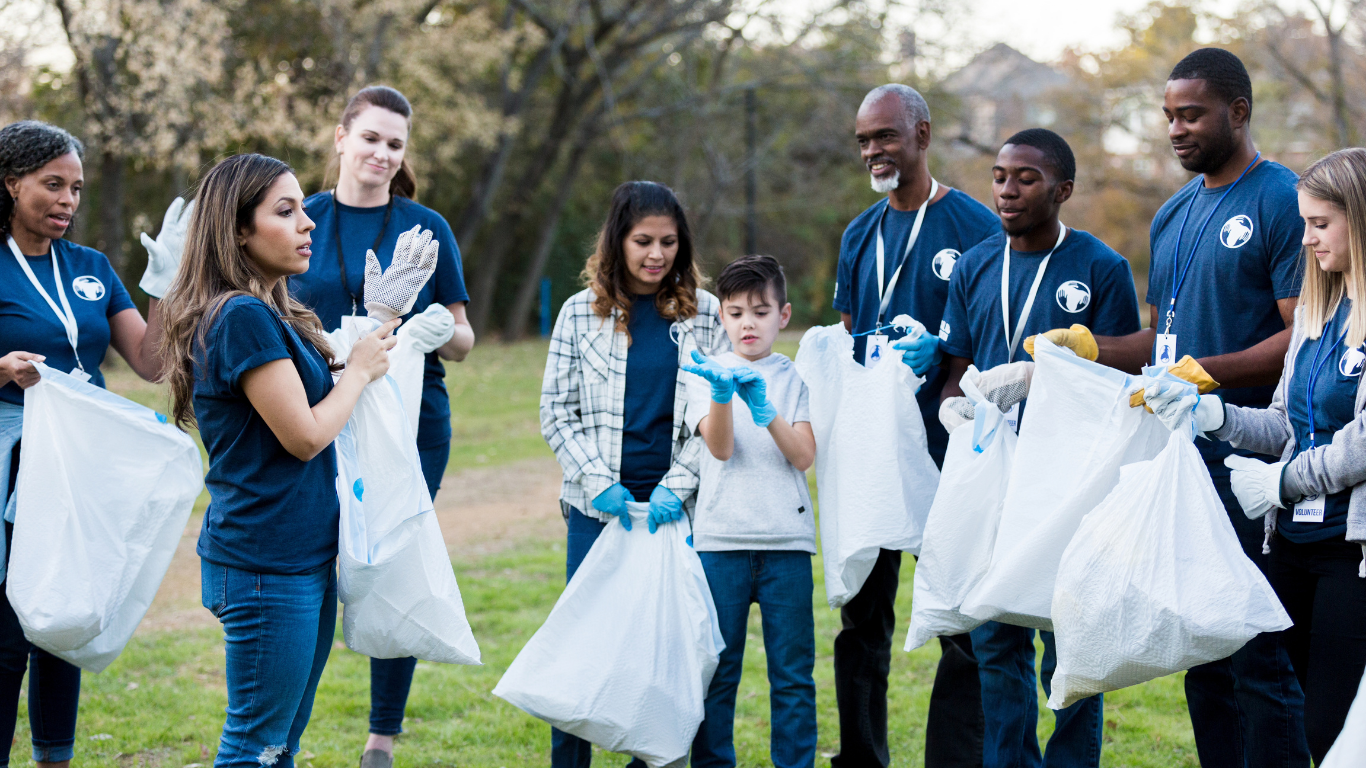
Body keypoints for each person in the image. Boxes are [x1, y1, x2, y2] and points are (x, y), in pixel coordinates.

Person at [1031, 48, 1309, 767]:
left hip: (1253, 455)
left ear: (1238, 112)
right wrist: (1092, 347)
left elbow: (1300, 337)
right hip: (1182, 461)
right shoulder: (1174, 213)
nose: (1176, 129)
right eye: (1168, 117)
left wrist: (1202, 377)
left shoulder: (1280, 199)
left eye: (1192, 114)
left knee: (1259, 656)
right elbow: (1165, 340)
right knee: (1202, 645)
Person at [158, 153, 435, 768]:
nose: (307, 223)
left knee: (280, 746)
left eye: (303, 209)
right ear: (236, 229)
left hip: (301, 554)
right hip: (264, 562)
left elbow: (325, 398)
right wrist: (358, 372)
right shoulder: (241, 317)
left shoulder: (274, 313)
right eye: (284, 212)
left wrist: (382, 326)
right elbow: (306, 436)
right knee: (253, 747)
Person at [1142, 147, 1366, 764]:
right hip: (1289, 540)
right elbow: (1284, 422)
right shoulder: (1321, 313)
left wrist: (1281, 483)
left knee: (1324, 727)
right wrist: (1214, 413)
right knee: (1267, 697)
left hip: (1351, 552)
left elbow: (1362, 444)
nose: (1308, 240)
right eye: (1304, 224)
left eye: (1321, 224)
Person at [285, 85, 473, 768]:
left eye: (395, 143)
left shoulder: (425, 226)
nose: (382, 153)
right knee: (312, 565)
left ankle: (380, 742)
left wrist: (429, 330)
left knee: (390, 557)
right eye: (370, 138)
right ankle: (285, 724)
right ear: (340, 138)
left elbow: (463, 334)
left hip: (410, 423)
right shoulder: (298, 217)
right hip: (320, 415)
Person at [937, 129, 1139, 768]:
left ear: (1063, 190)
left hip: (1069, 477)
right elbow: (957, 365)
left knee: (1071, 638)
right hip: (996, 472)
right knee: (997, 639)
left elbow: (1124, 368)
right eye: (999, 176)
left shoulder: (1100, 266)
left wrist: (1046, 373)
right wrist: (954, 407)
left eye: (1025, 178)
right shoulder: (973, 265)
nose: (1006, 189)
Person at [831, 83, 998, 768]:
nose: (874, 151)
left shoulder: (975, 226)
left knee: (960, 620)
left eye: (887, 136)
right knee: (862, 618)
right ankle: (861, 758)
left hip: (946, 451)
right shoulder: (859, 232)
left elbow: (1000, 333)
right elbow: (847, 337)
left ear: (922, 136)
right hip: (874, 456)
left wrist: (947, 352)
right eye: (865, 140)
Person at [539, 180, 727, 768]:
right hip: (598, 511)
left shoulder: (706, 314)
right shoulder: (578, 313)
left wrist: (677, 485)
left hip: (677, 514)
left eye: (669, 242)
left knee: (665, 653)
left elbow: (722, 414)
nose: (657, 254)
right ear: (617, 240)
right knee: (584, 649)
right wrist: (598, 483)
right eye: (643, 241)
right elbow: (556, 410)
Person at [0, 120, 167, 768]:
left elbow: (151, 364)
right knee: (10, 635)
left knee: (63, 621)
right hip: (14, 462)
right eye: (52, 185)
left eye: (75, 187)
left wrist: (163, 283)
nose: (67, 199)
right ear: (11, 184)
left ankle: (55, 761)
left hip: (79, 464)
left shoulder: (92, 267)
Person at [681, 254, 818, 768]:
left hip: (787, 547)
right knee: (717, 672)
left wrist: (766, 410)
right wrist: (723, 395)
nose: (748, 323)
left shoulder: (796, 377)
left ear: (782, 315)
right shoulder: (702, 374)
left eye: (760, 312)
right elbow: (718, 448)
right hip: (721, 544)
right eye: (736, 312)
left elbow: (803, 455)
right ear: (722, 318)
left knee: (792, 676)